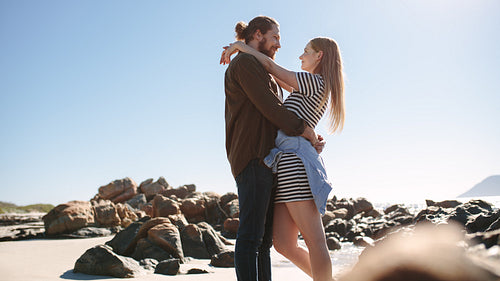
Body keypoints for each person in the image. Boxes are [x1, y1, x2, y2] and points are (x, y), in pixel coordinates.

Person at [221, 35, 345, 281]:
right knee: (283, 244)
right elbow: (269, 73)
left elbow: (270, 67)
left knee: (315, 240)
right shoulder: (311, 84)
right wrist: (246, 53)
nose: (301, 56)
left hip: (295, 164)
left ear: (319, 56)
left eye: (306, 51)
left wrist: (240, 47)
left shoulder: (314, 81)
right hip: (285, 165)